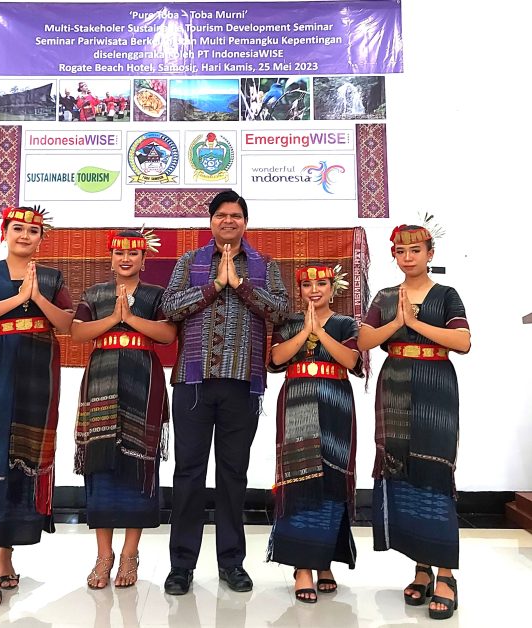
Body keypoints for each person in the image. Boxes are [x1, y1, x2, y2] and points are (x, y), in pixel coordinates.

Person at [161, 190, 290, 595]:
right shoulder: (189, 262)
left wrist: (242, 285)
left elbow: (281, 310)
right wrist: (216, 285)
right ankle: (181, 566)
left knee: (233, 475)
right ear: (211, 221)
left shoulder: (265, 266)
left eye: (236, 215)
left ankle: (231, 563)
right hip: (193, 384)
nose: (228, 221)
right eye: (221, 215)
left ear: (245, 222)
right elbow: (168, 307)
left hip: (242, 385)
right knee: (188, 475)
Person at [0, 206, 74, 607]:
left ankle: (8, 554)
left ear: (42, 238)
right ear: (4, 233)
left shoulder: (53, 278)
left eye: (34, 230)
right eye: (18, 228)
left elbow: (66, 325)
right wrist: (18, 300)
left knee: (24, 458)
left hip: (37, 372)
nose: (25, 235)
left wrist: (37, 296)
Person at [358, 224, 470, 620]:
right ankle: (421, 566)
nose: (408, 257)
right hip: (395, 385)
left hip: (436, 385)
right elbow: (364, 342)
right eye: (400, 252)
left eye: (416, 250)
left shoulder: (446, 295)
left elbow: (463, 342)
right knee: (401, 469)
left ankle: (445, 573)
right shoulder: (386, 297)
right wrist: (396, 321)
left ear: (429, 252)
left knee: (435, 472)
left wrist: (417, 324)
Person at [71, 229, 176, 589]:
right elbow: (78, 333)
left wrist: (130, 319)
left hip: (142, 380)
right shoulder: (94, 294)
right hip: (100, 379)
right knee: (100, 463)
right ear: (111, 258)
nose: (126, 259)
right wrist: (113, 317)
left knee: (138, 465)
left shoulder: (156, 295)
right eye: (119, 253)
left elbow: (167, 335)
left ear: (145, 260)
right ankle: (104, 555)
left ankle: (130, 554)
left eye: (133, 254)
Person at [266, 265, 363, 603]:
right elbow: (276, 358)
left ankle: (325, 562)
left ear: (332, 288)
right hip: (296, 401)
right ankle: (302, 567)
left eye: (321, 283)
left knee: (333, 479)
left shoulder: (346, 324)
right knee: (300, 480)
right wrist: (304, 330)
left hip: (336, 403)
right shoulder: (288, 322)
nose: (314, 290)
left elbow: (352, 360)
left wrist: (319, 333)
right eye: (307, 284)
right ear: (300, 290)